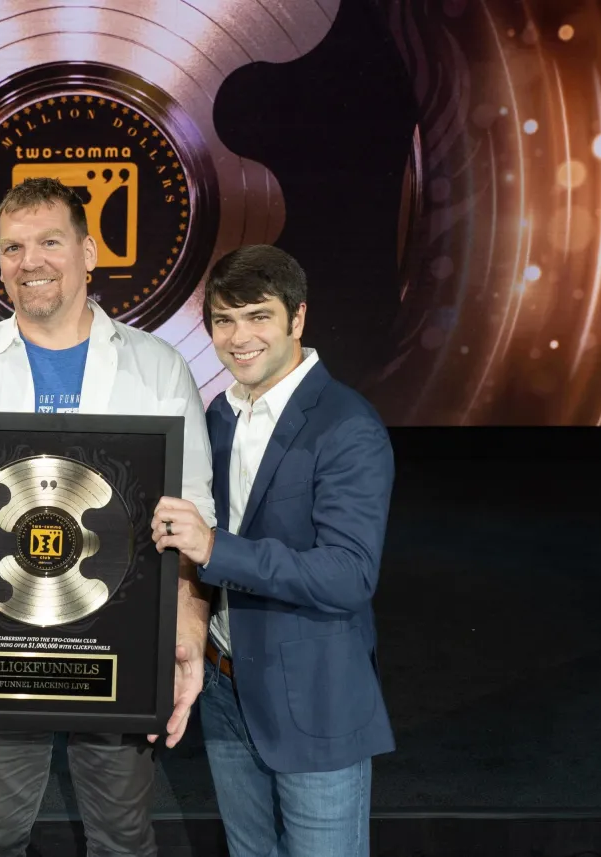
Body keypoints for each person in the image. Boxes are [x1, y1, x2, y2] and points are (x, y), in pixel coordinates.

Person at [0, 177, 216, 857]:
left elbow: (194, 514)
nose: (29, 260)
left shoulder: (157, 367)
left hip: (118, 643)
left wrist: (187, 627)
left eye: (48, 241)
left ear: (89, 251)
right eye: (12, 246)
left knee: (123, 837)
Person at [148, 244, 395, 857]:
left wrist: (214, 548)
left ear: (297, 318)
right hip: (229, 689)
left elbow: (349, 575)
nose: (239, 337)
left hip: (316, 698)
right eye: (224, 321)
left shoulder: (347, 425)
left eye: (258, 316)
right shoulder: (220, 415)